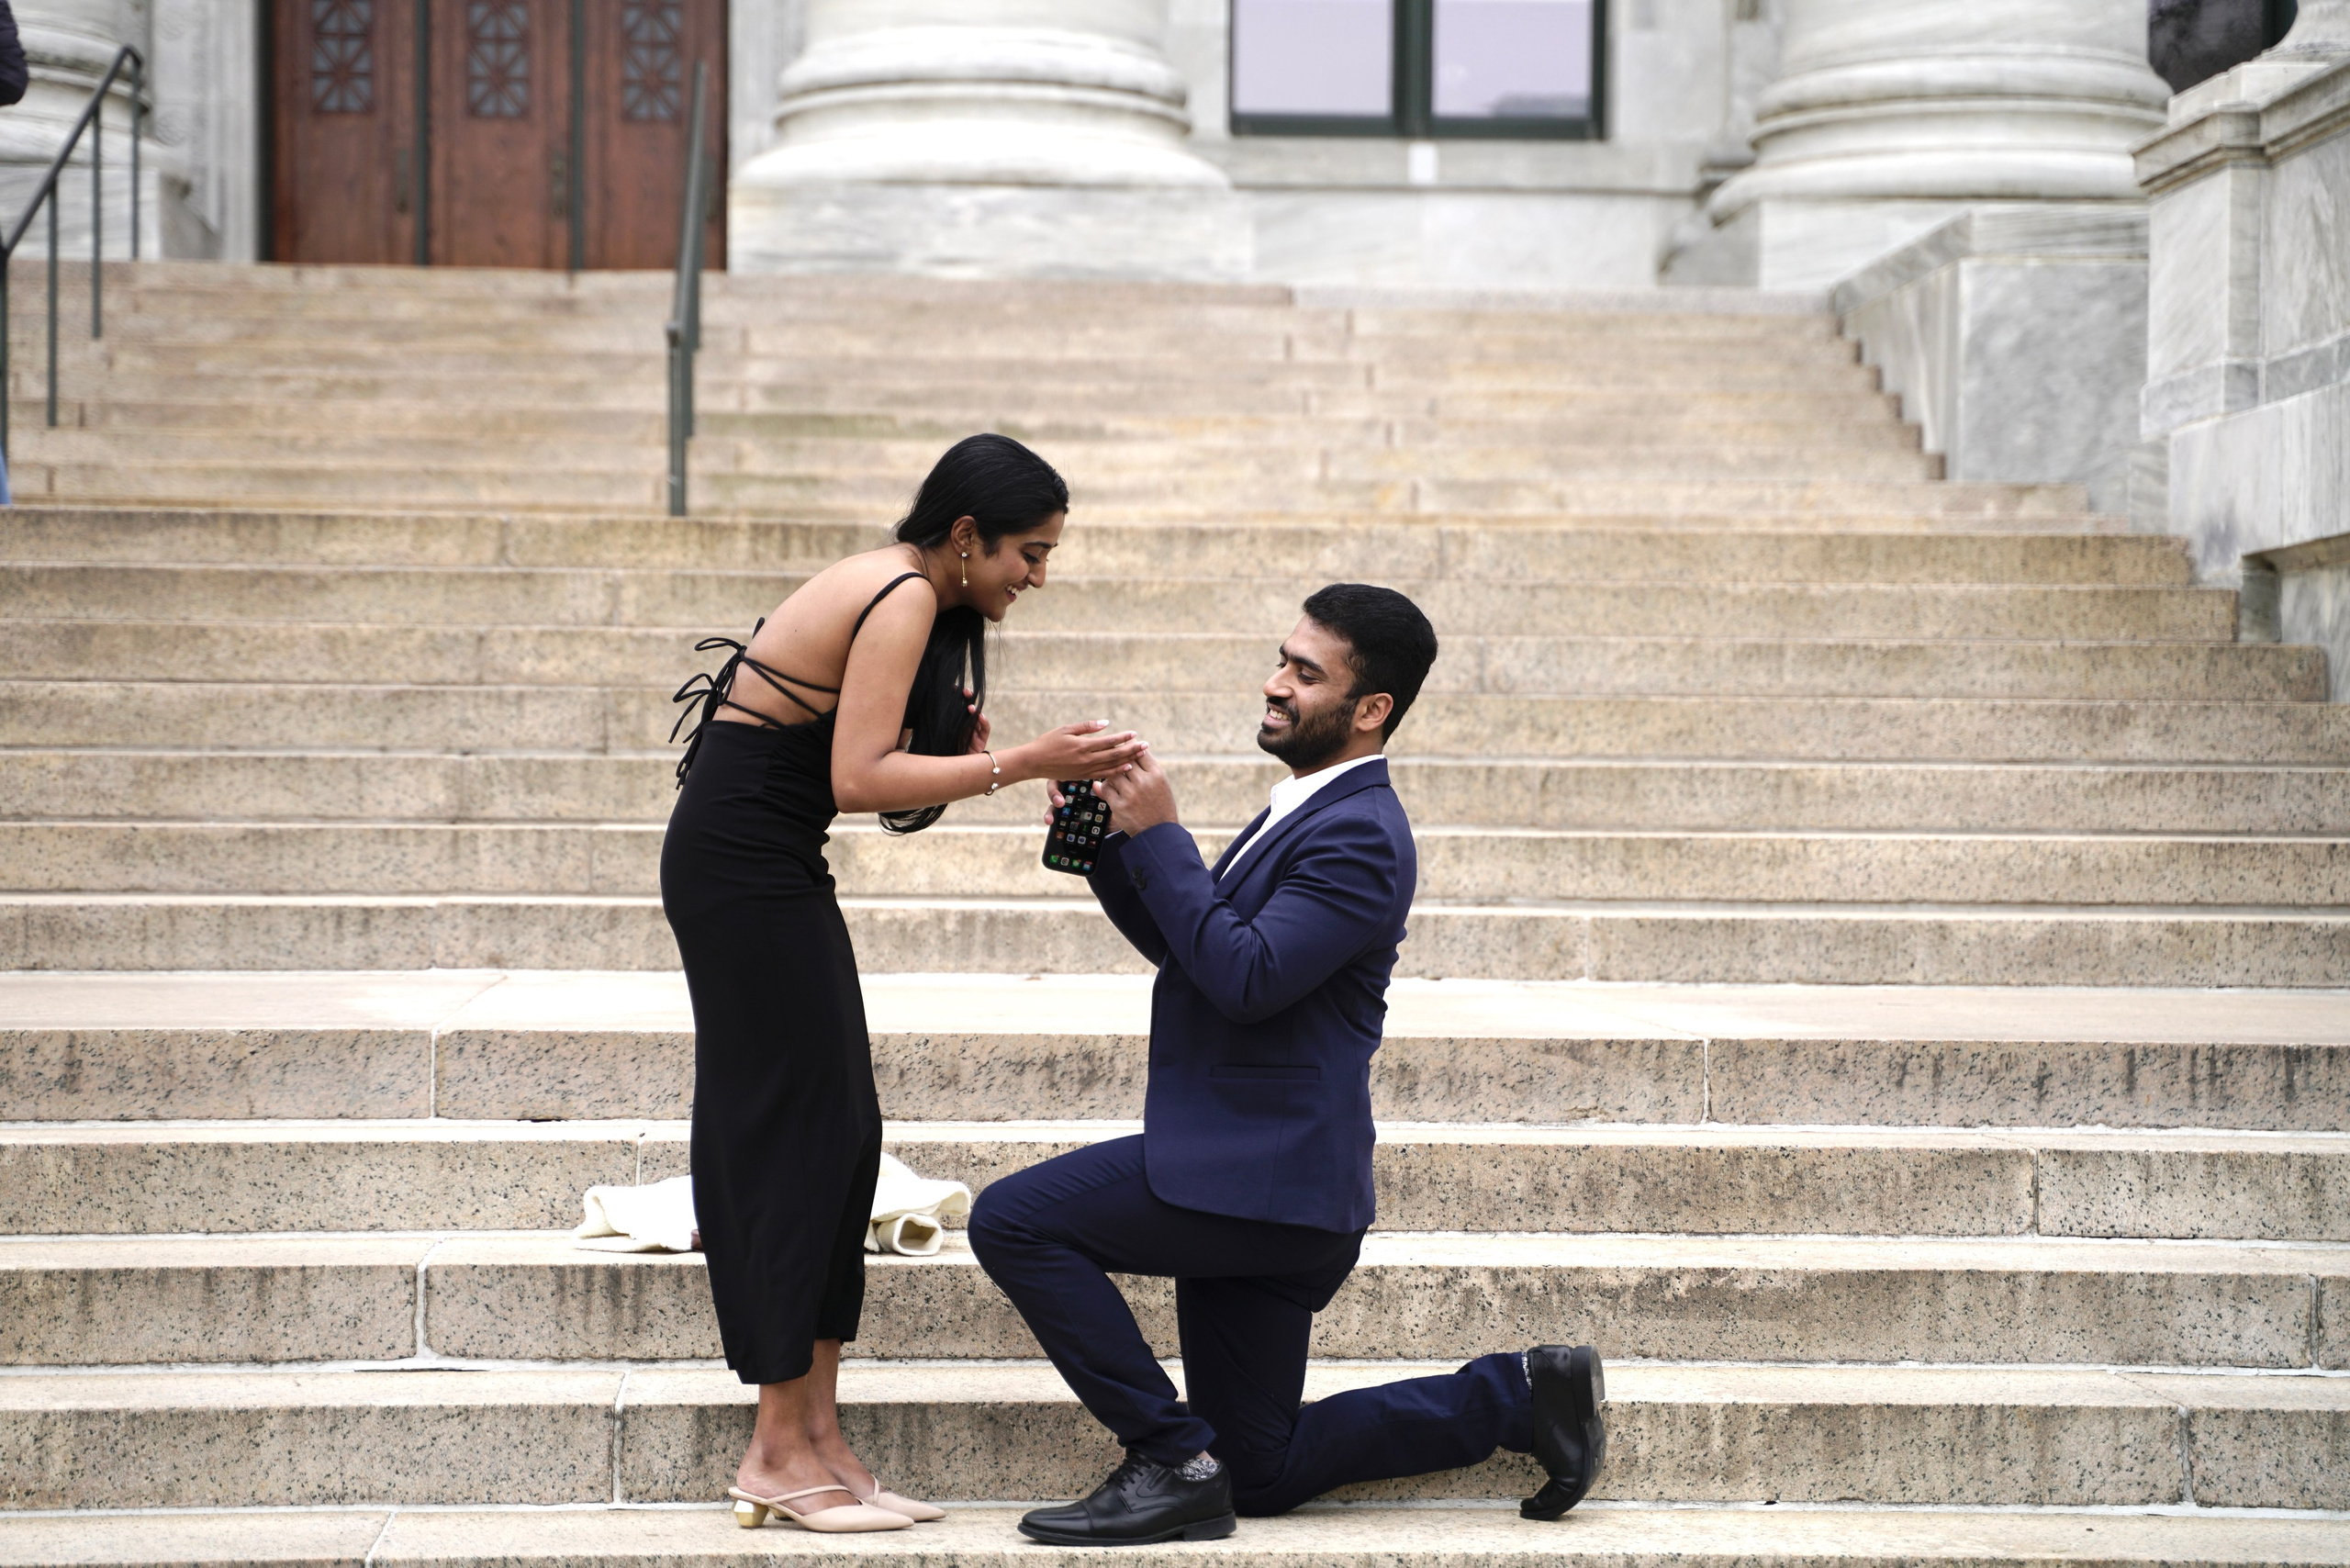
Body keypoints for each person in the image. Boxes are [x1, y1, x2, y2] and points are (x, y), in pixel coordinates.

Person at [968, 583, 1607, 1545]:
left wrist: (1170, 835)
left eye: (1305, 673)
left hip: (1258, 1182)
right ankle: (1517, 1396)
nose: (1274, 684)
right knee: (1257, 1471)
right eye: (1281, 658)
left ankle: (1165, 1454)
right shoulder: (1307, 807)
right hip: (1258, 1182)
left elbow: (1247, 978)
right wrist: (1112, 847)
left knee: (1013, 1219)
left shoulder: (1360, 833)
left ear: (1370, 708)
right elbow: (1201, 949)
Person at [662, 433, 1147, 1535]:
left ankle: (821, 1443)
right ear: (965, 537)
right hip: (744, 870)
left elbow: (866, 781)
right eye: (1029, 551)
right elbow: (854, 776)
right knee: (795, 1132)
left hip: (763, 861)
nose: (1038, 575)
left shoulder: (912, 595)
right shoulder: (899, 593)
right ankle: (779, 1450)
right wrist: (1019, 761)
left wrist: (957, 747)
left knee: (837, 1131)